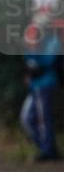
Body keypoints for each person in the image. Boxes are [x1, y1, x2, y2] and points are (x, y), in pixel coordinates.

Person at [21, 13, 61, 162]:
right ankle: (45, 147)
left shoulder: (53, 42)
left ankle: (48, 150)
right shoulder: (34, 41)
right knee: (26, 117)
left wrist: (35, 51)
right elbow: (28, 61)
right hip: (35, 86)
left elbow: (47, 63)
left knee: (44, 119)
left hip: (46, 84)